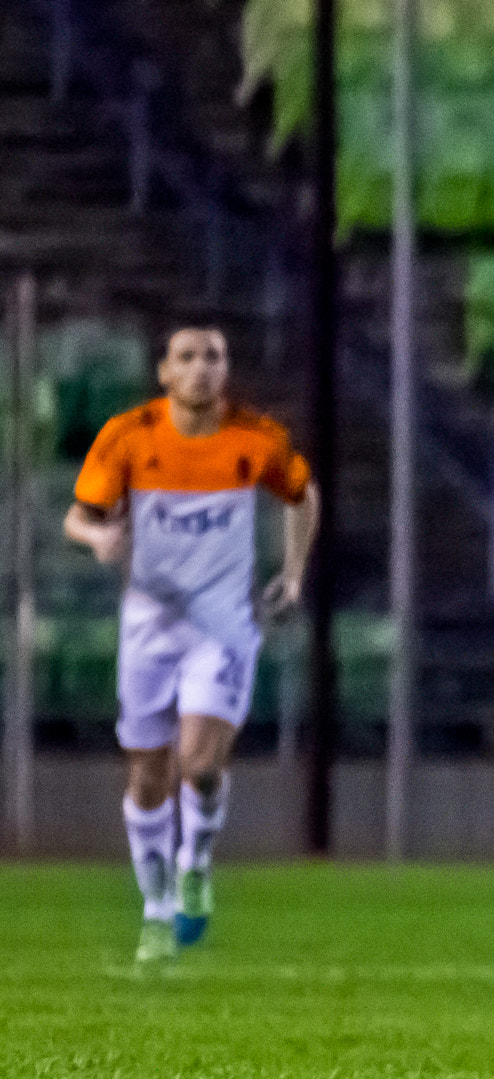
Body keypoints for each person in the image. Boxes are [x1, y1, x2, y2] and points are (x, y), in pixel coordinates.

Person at [64, 324, 320, 964]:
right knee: (147, 774)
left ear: (226, 369)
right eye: (188, 357)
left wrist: (291, 576)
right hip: (149, 626)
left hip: (223, 624)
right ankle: (154, 908)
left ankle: (195, 864)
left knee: (200, 765)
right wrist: (97, 540)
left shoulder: (253, 439)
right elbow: (79, 515)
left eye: (214, 356)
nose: (203, 368)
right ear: (164, 372)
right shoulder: (130, 437)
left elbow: (302, 493)